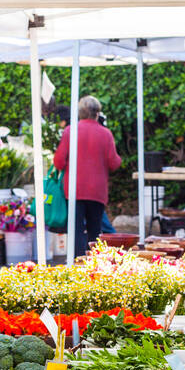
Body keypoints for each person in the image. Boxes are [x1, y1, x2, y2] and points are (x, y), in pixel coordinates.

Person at [53, 95, 122, 257]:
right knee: (95, 230)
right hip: (97, 190)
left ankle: (77, 262)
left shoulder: (71, 131)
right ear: (97, 113)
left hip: (74, 188)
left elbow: (59, 160)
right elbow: (114, 163)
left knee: (76, 229)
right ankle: (93, 264)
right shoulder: (106, 134)